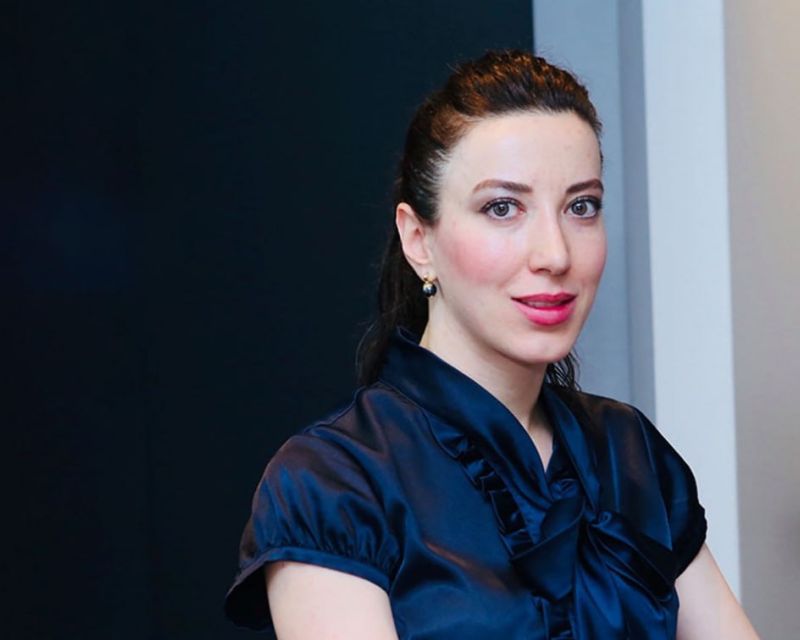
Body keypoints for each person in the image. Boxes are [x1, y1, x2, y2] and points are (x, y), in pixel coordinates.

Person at [224, 50, 759, 639]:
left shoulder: (629, 453)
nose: (555, 254)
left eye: (581, 206)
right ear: (418, 239)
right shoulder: (334, 483)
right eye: (503, 208)